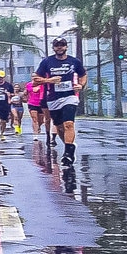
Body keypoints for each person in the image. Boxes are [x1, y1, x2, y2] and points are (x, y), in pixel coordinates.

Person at [35, 38, 88, 168]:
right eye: (57, 45)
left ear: (66, 47)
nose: (60, 47)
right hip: (53, 99)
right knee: (59, 127)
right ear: (53, 48)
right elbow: (36, 79)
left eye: (62, 45)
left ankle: (68, 153)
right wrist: (49, 81)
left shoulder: (74, 61)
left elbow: (83, 75)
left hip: (70, 96)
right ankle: (69, 145)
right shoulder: (47, 62)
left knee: (69, 124)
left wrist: (81, 85)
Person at [26, 75, 49, 139]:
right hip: (32, 103)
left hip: (41, 104)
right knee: (34, 119)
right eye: (33, 76)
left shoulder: (42, 84)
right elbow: (28, 93)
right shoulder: (29, 85)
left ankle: (38, 127)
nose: (34, 77)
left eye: (35, 76)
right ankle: (35, 134)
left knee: (41, 120)